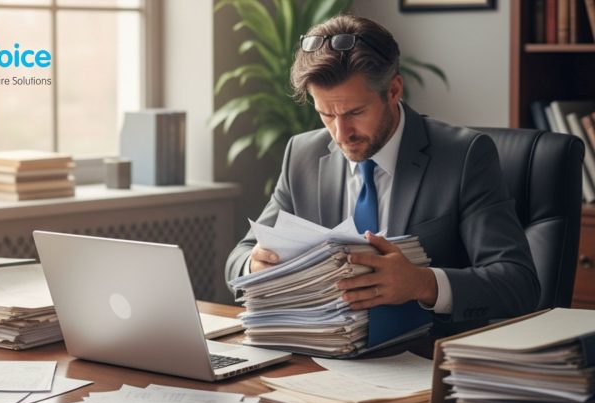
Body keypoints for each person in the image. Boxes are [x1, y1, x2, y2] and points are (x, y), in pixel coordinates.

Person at [224, 15, 539, 334]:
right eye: (325, 114)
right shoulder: (303, 154)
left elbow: (518, 283)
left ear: (394, 90)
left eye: (355, 113)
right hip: (324, 358)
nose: (340, 133)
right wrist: (256, 264)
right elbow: (239, 258)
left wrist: (422, 283)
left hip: (425, 361)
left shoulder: (464, 156)